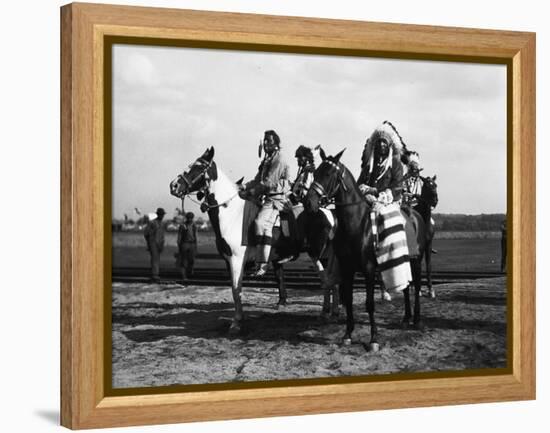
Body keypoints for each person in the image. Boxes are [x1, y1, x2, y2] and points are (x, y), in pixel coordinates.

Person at [245, 130, 291, 276]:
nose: (265, 144)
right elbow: (257, 180)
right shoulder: (267, 160)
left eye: (269, 141)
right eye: (264, 141)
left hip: (276, 200)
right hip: (267, 198)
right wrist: (243, 187)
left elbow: (269, 183)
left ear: (276, 143)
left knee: (260, 224)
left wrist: (252, 192)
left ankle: (262, 264)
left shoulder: (279, 159)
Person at [143, 207, 166, 283]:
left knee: (157, 259)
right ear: (157, 214)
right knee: (155, 259)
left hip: (160, 242)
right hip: (153, 242)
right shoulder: (152, 223)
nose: (162, 216)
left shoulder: (162, 223)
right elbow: (146, 233)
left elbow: (162, 234)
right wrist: (149, 242)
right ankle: (155, 275)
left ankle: (156, 273)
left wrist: (162, 243)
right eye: (160, 214)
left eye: (162, 214)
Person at [177, 212, 198, 284]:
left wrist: (196, 246)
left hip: (192, 244)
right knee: (184, 261)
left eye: (191, 218)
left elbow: (196, 236)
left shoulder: (194, 225)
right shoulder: (183, 225)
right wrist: (179, 245)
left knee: (191, 260)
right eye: (188, 218)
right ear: (186, 218)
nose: (190, 219)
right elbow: (179, 236)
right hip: (184, 244)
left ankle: (190, 273)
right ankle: (184, 276)